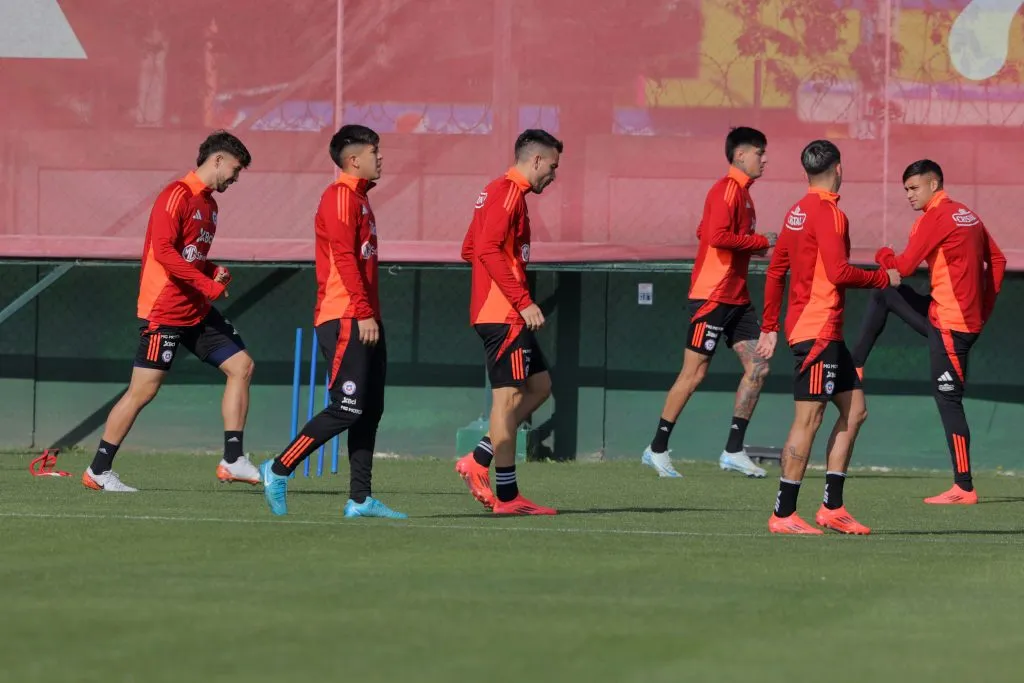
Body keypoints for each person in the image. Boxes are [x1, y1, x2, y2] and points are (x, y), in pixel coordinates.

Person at [83, 131, 257, 492]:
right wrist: (208, 284)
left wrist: (212, 272)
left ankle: (233, 459)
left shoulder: (211, 206)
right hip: (165, 309)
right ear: (218, 161)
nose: (236, 178)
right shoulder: (175, 194)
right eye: (235, 170)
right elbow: (163, 251)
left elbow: (190, 256)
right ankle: (98, 470)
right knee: (142, 391)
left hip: (194, 308)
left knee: (241, 366)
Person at [258, 125, 405, 519]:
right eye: (376, 151)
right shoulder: (339, 197)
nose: (382, 158)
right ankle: (277, 468)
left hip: (363, 316)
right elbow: (344, 258)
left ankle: (360, 499)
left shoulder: (360, 201)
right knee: (347, 406)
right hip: (346, 317)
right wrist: (363, 311)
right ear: (354, 159)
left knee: (369, 410)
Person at [759, 140, 900, 535]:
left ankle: (832, 508)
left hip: (822, 331)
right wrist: (881, 278)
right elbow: (839, 272)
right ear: (839, 167)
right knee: (809, 418)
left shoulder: (795, 213)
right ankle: (783, 513)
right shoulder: (829, 212)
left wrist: (771, 325)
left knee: (855, 412)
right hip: (817, 331)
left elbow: (774, 274)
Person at [851, 159, 1005, 504]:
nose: (909, 195)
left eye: (914, 187)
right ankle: (855, 363)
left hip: (951, 326)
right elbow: (998, 261)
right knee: (884, 292)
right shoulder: (967, 214)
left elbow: (902, 267)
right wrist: (986, 308)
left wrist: (884, 253)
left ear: (934, 184)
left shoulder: (935, 218)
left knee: (948, 400)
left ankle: (964, 487)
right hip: (946, 317)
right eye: (906, 189)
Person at [641, 127, 778, 479]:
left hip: (737, 298)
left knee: (759, 367)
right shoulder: (725, 190)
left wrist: (753, 243)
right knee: (694, 373)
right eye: (759, 153)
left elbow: (706, 231)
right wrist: (760, 241)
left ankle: (733, 450)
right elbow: (715, 235)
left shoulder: (744, 196)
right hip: (711, 297)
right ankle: (656, 449)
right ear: (740, 155)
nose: (764, 159)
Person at [454, 129, 561, 515]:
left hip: (501, 310)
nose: (553, 174)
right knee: (508, 398)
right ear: (535, 160)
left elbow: (470, 247)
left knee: (540, 386)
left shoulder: (499, 191)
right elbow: (482, 249)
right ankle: (507, 495)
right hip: (504, 314)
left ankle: (478, 458)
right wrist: (520, 299)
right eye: (552, 166)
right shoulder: (509, 193)